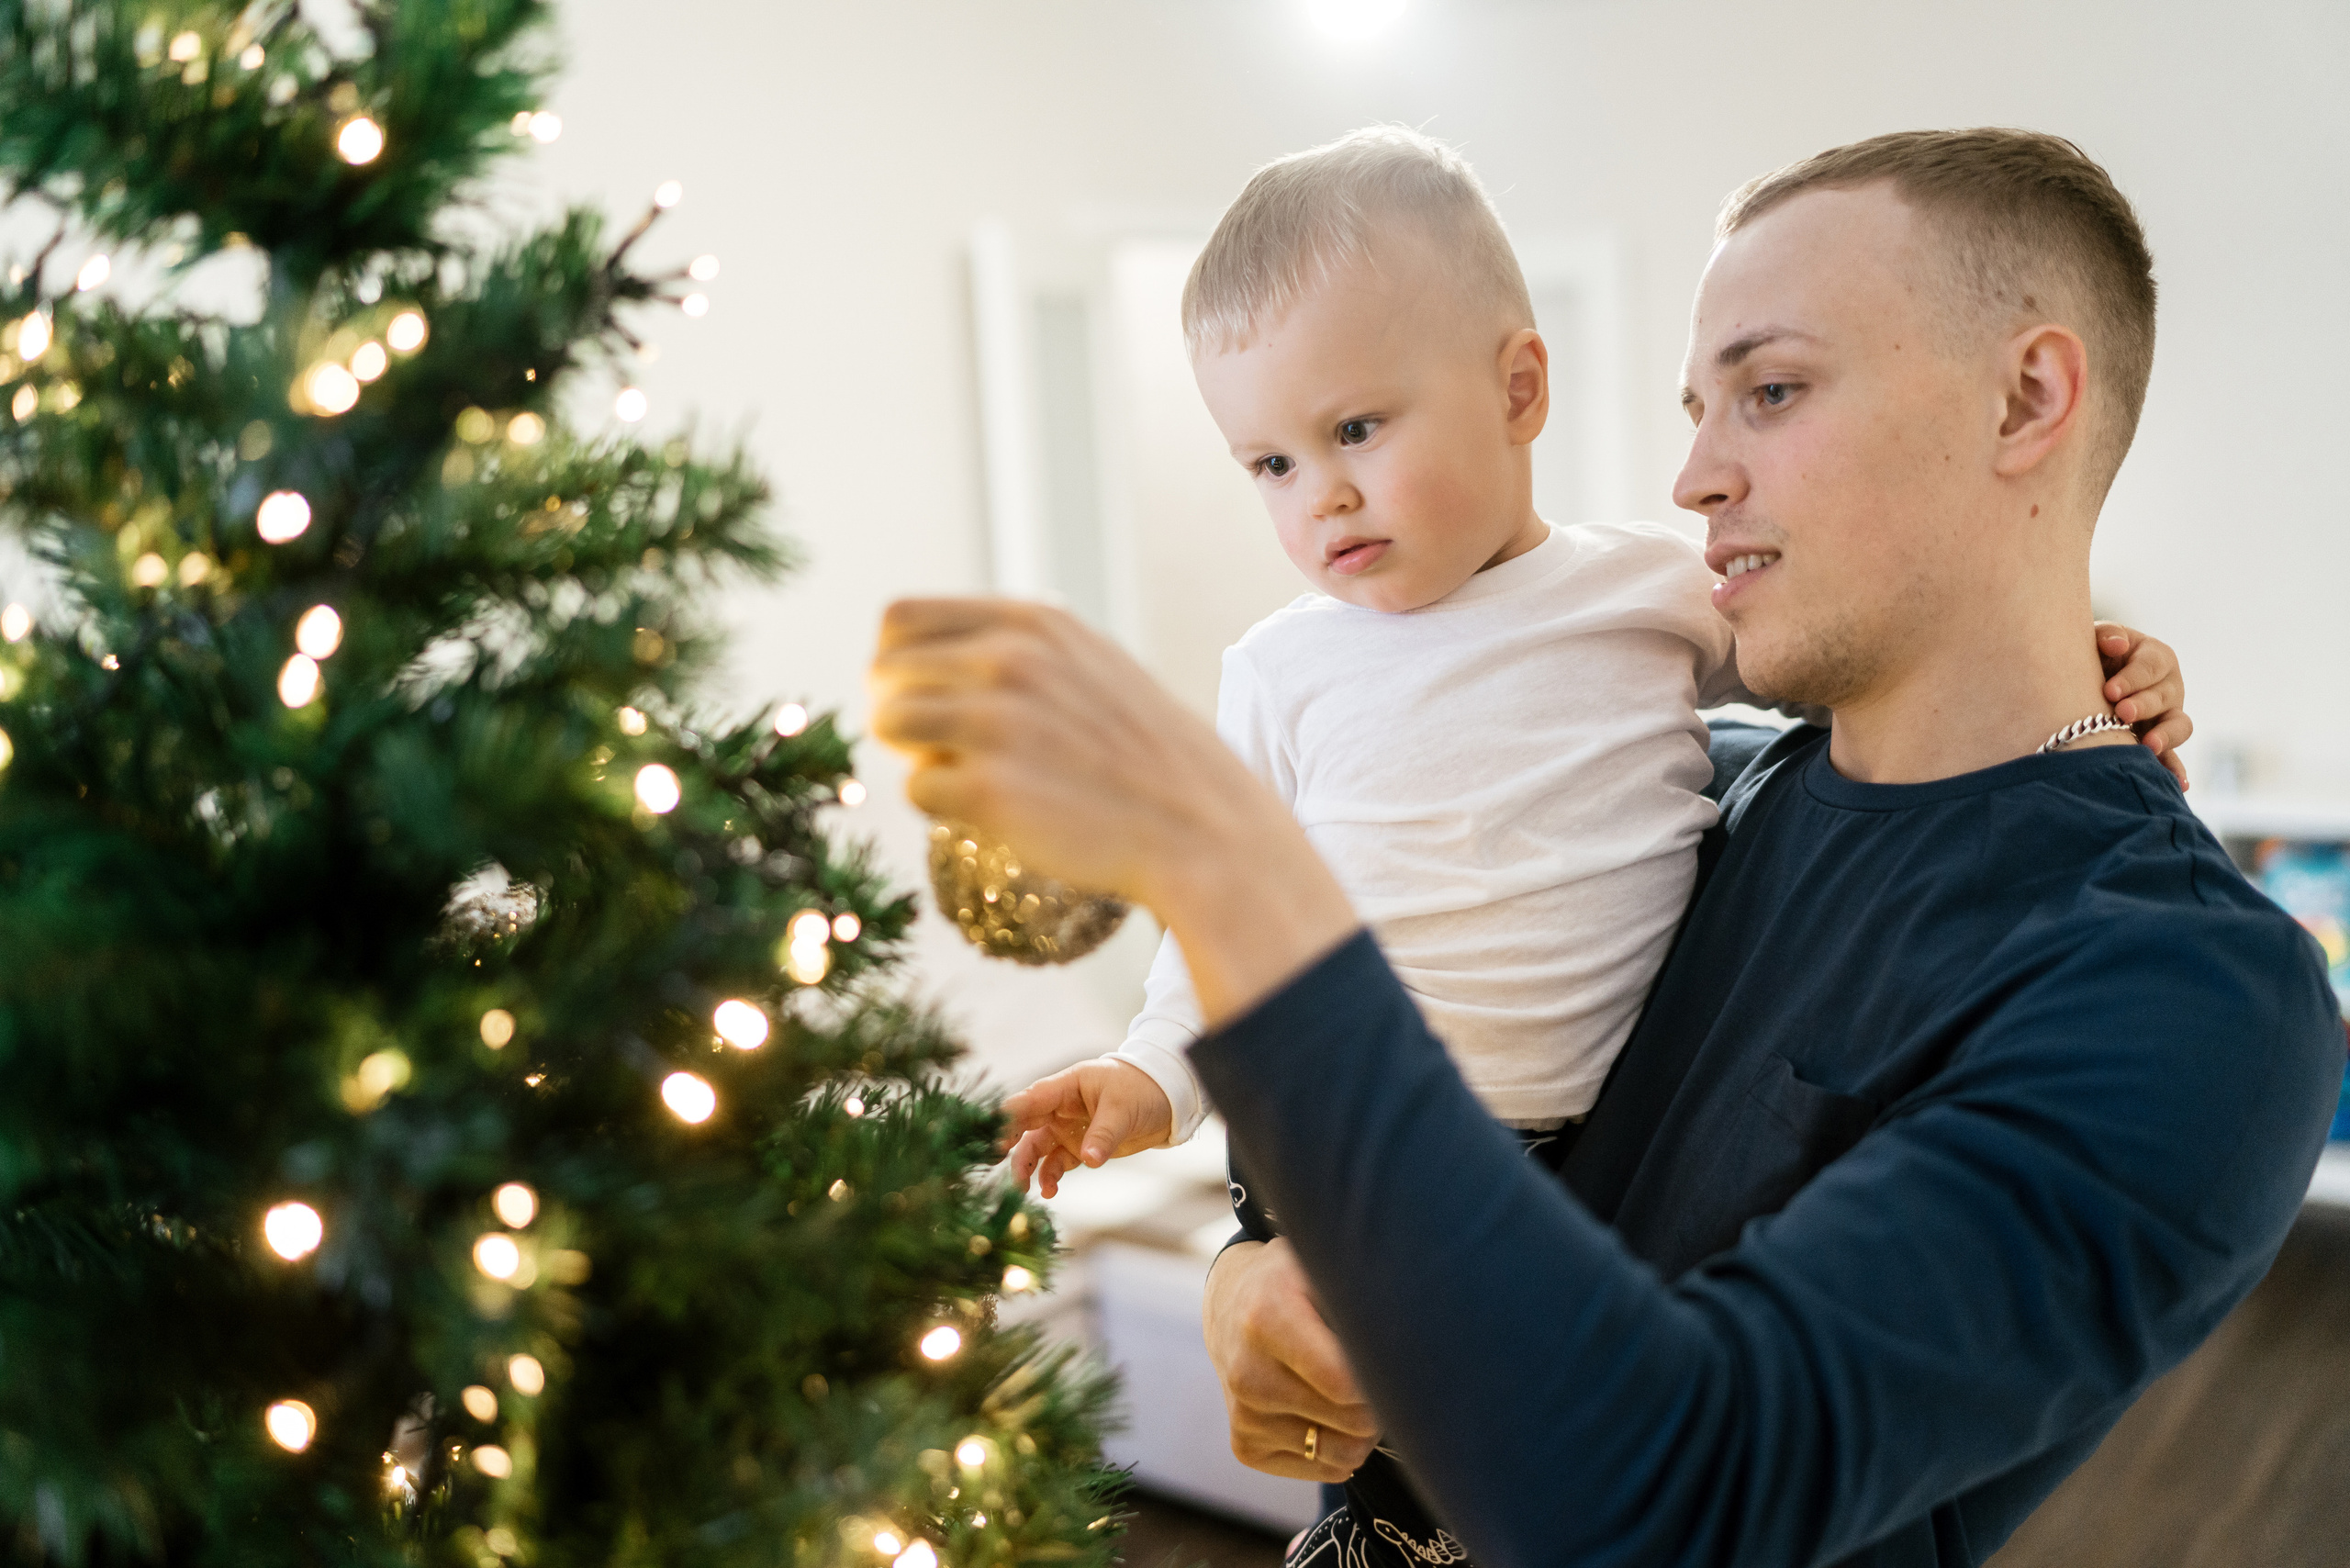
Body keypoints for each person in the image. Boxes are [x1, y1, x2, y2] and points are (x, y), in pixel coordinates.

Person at [869, 129, 2344, 1567]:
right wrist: (1252, 1272)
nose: (1694, 474)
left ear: (2027, 400)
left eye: (1770, 390)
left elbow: (1669, 1500)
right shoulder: (1694, 775)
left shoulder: (2196, 992)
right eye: (1696, 408)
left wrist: (1220, 859)